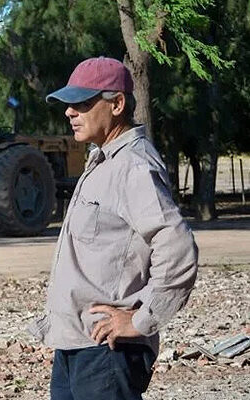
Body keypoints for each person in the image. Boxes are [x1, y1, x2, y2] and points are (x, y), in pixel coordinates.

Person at [29, 56, 198, 400]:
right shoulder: (103, 160)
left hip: (108, 350)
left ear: (117, 104)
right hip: (77, 344)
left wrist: (140, 320)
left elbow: (177, 248)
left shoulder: (133, 166)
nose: (69, 112)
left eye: (82, 103)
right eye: (68, 104)